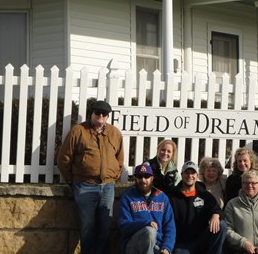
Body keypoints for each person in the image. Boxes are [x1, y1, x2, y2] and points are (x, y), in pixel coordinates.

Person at [56, 100, 124, 254]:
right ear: (91, 114)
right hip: (84, 186)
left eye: (104, 114)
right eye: (97, 113)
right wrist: (72, 180)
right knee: (88, 225)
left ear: (107, 117)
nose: (101, 116)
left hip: (107, 187)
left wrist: (113, 177)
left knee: (105, 225)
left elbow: (119, 159)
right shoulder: (78, 131)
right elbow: (63, 158)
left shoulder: (115, 133)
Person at [168, 160, 227, 254]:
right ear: (181, 174)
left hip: (202, 239)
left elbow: (217, 209)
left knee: (222, 225)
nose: (190, 176)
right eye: (187, 173)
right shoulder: (172, 196)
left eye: (193, 173)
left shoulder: (204, 194)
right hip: (183, 242)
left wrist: (216, 215)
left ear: (197, 176)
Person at [117, 163, 176, 254]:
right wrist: (145, 223)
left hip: (157, 246)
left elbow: (170, 226)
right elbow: (124, 226)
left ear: (152, 178)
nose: (143, 180)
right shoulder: (127, 198)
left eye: (146, 176)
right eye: (140, 177)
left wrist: (167, 247)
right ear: (135, 179)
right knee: (150, 231)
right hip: (133, 246)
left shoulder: (162, 198)